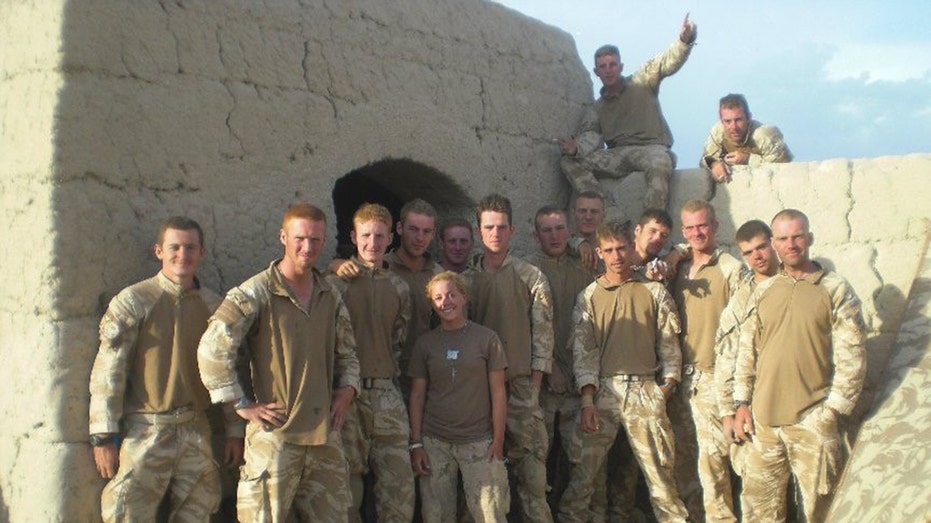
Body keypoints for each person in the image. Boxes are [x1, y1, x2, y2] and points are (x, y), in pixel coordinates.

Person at [197, 203, 360, 522]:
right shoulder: (256, 292)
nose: (307, 247)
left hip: (325, 437)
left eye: (315, 240)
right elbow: (212, 348)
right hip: (276, 439)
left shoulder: (329, 294)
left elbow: (348, 352)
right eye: (300, 238)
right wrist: (241, 403)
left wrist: (348, 390)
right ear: (283, 237)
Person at [88, 217, 242, 522]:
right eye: (174, 247)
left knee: (200, 510)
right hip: (146, 430)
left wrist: (235, 430)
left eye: (190, 247)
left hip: (195, 429)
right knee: (125, 512)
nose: (182, 255)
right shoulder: (134, 302)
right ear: (158, 251)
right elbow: (109, 372)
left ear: (202, 253)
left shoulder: (215, 307)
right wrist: (103, 436)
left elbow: (228, 371)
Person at [733, 209, 867, 522]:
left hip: (811, 421)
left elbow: (853, 355)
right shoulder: (763, 291)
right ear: (774, 244)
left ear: (809, 238)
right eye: (783, 238)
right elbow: (746, 351)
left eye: (797, 236)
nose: (791, 244)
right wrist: (741, 403)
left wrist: (831, 412)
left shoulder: (835, 289)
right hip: (762, 423)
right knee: (759, 513)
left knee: (820, 513)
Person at [558, 220, 689, 523]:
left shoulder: (654, 292)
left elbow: (670, 346)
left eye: (621, 248)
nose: (616, 256)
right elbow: (584, 353)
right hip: (603, 392)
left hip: (645, 390)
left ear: (631, 247)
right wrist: (588, 401)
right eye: (609, 250)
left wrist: (664, 389)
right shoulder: (589, 297)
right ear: (600, 253)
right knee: (583, 480)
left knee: (661, 481)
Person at [463, 193, 555, 523]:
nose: (495, 234)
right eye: (489, 227)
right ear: (478, 231)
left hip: (519, 390)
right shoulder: (466, 282)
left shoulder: (530, 277)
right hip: (477, 395)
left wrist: (532, 387)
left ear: (512, 230)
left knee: (533, 481)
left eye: (502, 227)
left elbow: (543, 335)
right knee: (482, 486)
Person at [325, 203, 415, 523]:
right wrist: (334, 266)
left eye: (380, 236)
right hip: (347, 396)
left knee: (398, 488)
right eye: (365, 235)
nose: (372, 243)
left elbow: (399, 340)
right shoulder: (335, 284)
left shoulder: (399, 287)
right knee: (347, 487)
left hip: (387, 394)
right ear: (353, 236)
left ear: (391, 238)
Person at [559, 14, 698, 213]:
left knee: (659, 166)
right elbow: (591, 137)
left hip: (652, 149)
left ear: (621, 67)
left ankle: (651, 224)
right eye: (603, 67)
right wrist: (575, 149)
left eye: (613, 65)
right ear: (596, 72)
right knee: (568, 162)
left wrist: (685, 40)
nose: (608, 70)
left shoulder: (642, 81)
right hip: (618, 154)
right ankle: (606, 210)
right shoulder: (597, 109)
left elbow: (666, 62)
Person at [408, 271, 510, 522]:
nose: (446, 302)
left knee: (490, 514)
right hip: (436, 443)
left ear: (464, 297)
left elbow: (498, 393)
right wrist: (417, 443)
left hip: (479, 442)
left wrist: (497, 440)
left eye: (452, 294)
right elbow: (417, 396)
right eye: (439, 298)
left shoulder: (487, 339)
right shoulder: (425, 344)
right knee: (436, 516)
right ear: (432, 304)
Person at [668, 199, 744, 522]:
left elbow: (744, 328)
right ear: (683, 231)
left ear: (715, 226)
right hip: (679, 379)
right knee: (683, 461)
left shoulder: (731, 269)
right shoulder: (677, 268)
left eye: (703, 225)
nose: (697, 232)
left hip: (713, 378)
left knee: (713, 464)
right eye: (690, 227)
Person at [330, 198, 443, 390]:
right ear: (399, 229)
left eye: (426, 232)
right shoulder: (381, 266)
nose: (419, 238)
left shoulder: (438, 275)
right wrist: (335, 266)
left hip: (422, 373)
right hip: (376, 375)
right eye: (413, 229)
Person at [529, 206, 597, 511]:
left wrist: (581, 243)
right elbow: (522, 328)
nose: (554, 236)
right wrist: (549, 367)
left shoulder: (584, 266)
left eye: (560, 229)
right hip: (541, 385)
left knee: (581, 465)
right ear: (535, 234)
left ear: (569, 232)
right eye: (547, 230)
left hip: (579, 385)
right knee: (537, 462)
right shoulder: (527, 270)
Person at [700, 93, 793, 183]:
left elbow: (781, 167)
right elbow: (705, 159)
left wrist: (747, 159)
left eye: (738, 120)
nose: (733, 127)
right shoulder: (718, 132)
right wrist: (714, 164)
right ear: (721, 121)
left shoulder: (764, 135)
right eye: (728, 121)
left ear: (748, 117)